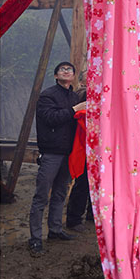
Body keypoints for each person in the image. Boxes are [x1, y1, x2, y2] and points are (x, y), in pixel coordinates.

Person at [28, 62, 86, 257]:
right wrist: (75, 109)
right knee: (41, 196)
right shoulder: (47, 95)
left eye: (70, 70)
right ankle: (35, 238)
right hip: (51, 152)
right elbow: (51, 118)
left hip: (69, 152)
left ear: (74, 77)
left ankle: (54, 230)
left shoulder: (73, 95)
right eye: (62, 69)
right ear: (55, 76)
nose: (67, 71)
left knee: (60, 193)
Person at [65, 68, 94, 231]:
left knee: (93, 182)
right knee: (82, 182)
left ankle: (91, 213)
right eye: (89, 77)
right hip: (82, 143)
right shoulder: (81, 93)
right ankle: (74, 218)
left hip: (93, 145)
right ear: (83, 81)